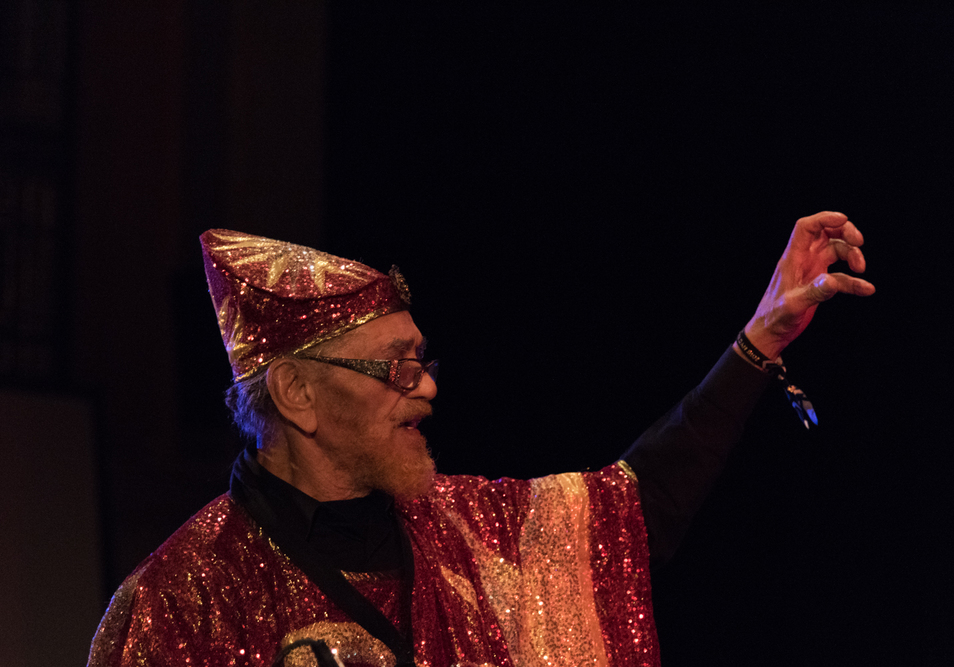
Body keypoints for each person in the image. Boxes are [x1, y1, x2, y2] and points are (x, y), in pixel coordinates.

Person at [88, 212, 874, 666]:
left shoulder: (473, 534)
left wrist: (758, 341)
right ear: (297, 393)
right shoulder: (179, 603)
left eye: (422, 361)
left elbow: (637, 509)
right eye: (395, 368)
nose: (427, 386)